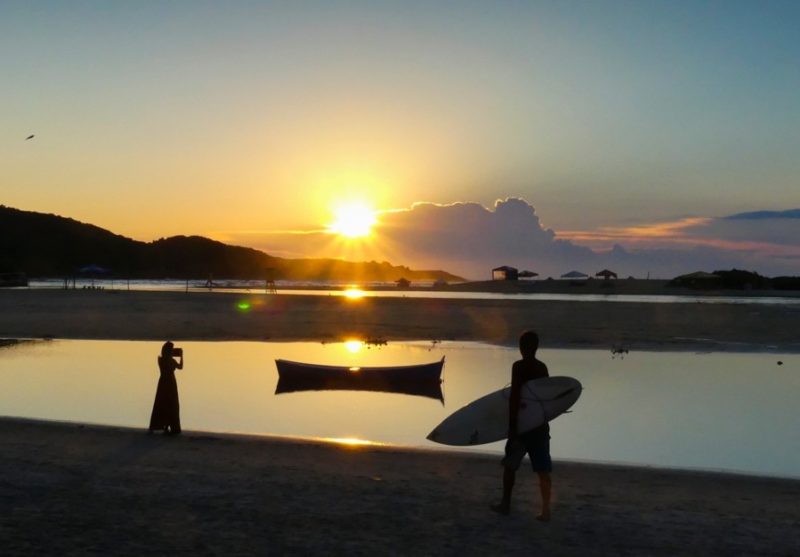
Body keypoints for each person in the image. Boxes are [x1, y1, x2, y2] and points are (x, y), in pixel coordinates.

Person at [491, 330, 552, 521]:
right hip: (540, 426)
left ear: (522, 348)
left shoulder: (518, 367)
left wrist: (512, 428)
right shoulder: (542, 367)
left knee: (510, 466)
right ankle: (546, 510)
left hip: (523, 426)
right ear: (536, 348)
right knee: (543, 470)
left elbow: (515, 397)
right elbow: (546, 398)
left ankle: (506, 505)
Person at [148, 341, 184, 435]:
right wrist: (181, 356)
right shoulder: (170, 361)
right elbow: (180, 367)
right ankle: (169, 426)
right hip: (171, 383)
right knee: (171, 404)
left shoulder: (161, 360)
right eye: (171, 350)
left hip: (163, 382)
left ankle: (162, 425)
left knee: (161, 403)